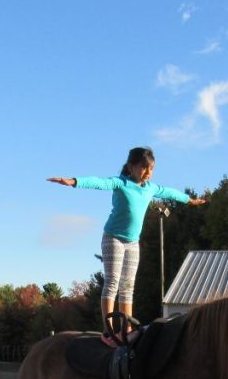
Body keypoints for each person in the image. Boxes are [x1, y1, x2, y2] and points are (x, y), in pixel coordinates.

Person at [48, 147, 207, 346]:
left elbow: (170, 192)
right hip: (113, 238)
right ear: (131, 167)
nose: (148, 172)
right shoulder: (120, 183)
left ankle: (127, 328)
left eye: (152, 168)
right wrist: (73, 181)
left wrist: (189, 200)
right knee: (113, 281)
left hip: (132, 243)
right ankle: (108, 330)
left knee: (128, 286)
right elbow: (99, 182)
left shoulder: (151, 188)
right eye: (144, 167)